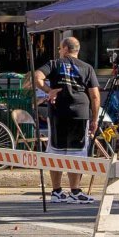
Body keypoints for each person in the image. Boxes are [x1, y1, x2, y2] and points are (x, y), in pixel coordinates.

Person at [38, 35, 100, 202]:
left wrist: (49, 90)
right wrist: (95, 119)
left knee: (55, 151)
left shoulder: (54, 64)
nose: (59, 51)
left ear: (65, 49)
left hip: (58, 112)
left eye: (60, 48)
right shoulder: (87, 68)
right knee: (77, 153)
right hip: (80, 113)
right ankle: (75, 191)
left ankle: (56, 191)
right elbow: (95, 96)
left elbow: (37, 76)